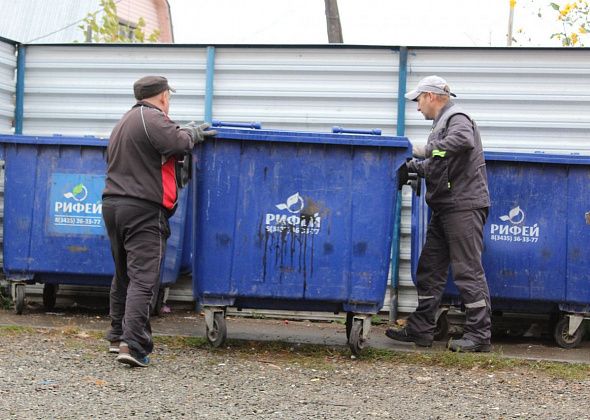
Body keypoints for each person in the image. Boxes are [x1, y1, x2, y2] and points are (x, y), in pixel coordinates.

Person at [102, 75, 216, 367]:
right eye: (169, 96)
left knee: (124, 273)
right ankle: (134, 344)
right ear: (163, 96)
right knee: (144, 277)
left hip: (114, 204)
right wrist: (192, 133)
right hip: (142, 208)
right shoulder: (150, 118)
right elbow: (178, 141)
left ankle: (117, 336)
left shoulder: (124, 121)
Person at [386, 75, 492, 352]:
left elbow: (462, 142)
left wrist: (423, 150)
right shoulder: (440, 124)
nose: (417, 107)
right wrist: (413, 166)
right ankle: (421, 330)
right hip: (446, 207)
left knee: (467, 271)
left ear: (431, 96)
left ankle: (479, 336)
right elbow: (439, 163)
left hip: (463, 206)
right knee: (430, 269)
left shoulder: (457, 118)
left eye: (419, 100)